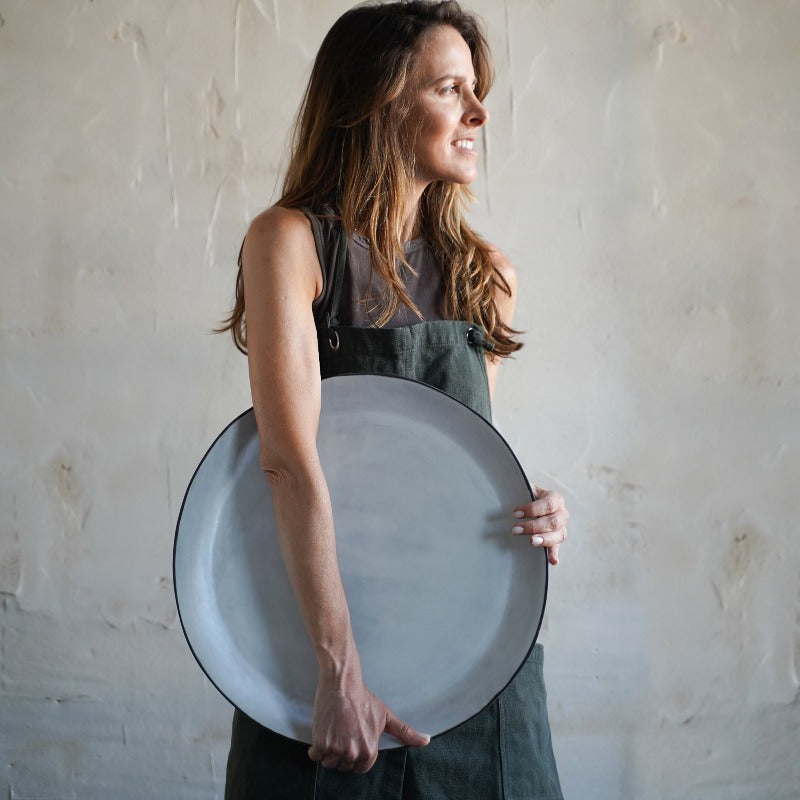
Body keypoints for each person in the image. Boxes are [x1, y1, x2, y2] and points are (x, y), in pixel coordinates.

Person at [218, 2, 569, 797]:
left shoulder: (487, 276)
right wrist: (338, 670)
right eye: (451, 89)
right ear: (378, 103)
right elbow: (287, 463)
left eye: (476, 90)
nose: (479, 113)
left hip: (475, 660)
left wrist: (538, 510)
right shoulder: (289, 243)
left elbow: (457, 471)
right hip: (324, 664)